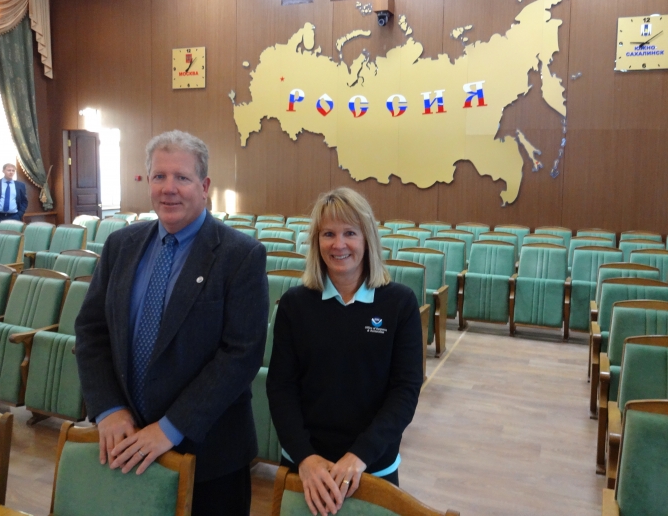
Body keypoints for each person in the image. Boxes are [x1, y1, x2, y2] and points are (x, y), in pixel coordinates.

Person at [75, 130, 268, 516]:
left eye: (182, 177)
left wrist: (169, 428)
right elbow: (92, 332)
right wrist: (109, 408)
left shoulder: (240, 255)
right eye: (159, 177)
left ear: (204, 185)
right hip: (126, 444)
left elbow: (240, 356)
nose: (169, 189)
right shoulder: (120, 246)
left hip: (210, 456)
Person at [267, 187, 423, 516]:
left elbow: (405, 390)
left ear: (367, 239)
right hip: (305, 467)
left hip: (372, 466)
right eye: (328, 234)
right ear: (316, 241)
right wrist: (306, 458)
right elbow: (281, 387)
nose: (339, 245)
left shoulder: (400, 303)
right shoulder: (295, 304)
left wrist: (360, 456)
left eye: (350, 233)